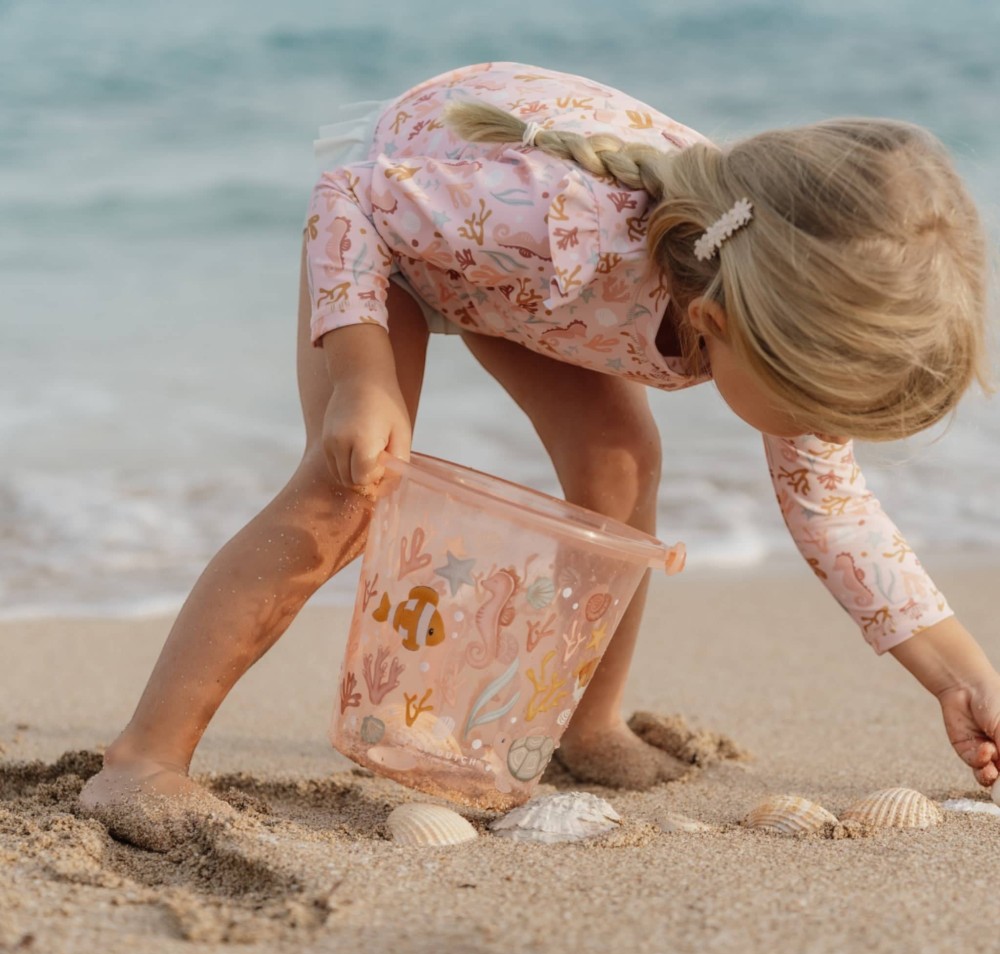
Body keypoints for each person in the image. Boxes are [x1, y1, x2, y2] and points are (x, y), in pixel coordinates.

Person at [80, 62, 999, 847]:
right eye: (812, 405)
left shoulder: (767, 290)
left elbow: (836, 514)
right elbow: (350, 201)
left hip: (527, 289)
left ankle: (586, 725)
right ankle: (143, 759)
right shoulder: (566, 220)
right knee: (346, 491)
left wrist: (968, 679)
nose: (817, 431)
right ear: (720, 325)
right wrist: (366, 379)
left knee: (620, 466)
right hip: (406, 232)